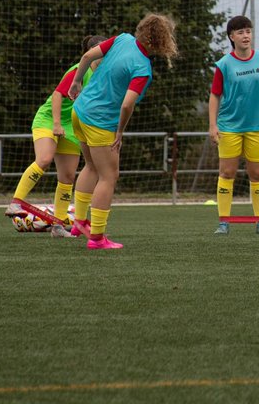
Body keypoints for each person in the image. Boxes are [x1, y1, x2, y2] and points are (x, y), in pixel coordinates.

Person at [68, 13, 178, 250]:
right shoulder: (143, 68)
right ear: (160, 41)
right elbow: (127, 104)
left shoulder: (122, 39)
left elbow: (87, 55)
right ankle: (97, 238)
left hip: (79, 111)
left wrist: (76, 82)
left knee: (90, 166)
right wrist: (120, 132)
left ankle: (79, 222)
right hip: (100, 122)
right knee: (108, 176)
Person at [4, 35, 104, 237]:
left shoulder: (104, 74)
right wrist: (57, 124)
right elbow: (58, 94)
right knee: (45, 159)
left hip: (73, 124)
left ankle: (57, 226)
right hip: (50, 118)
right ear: (91, 53)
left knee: (67, 176)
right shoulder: (79, 70)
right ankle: (16, 202)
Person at [210, 16, 259, 236]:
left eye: (248, 31)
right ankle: (224, 222)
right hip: (229, 126)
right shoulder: (224, 64)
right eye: (240, 32)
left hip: (257, 126)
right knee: (227, 172)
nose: (246, 36)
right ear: (231, 37)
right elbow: (215, 95)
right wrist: (212, 124)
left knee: (257, 173)